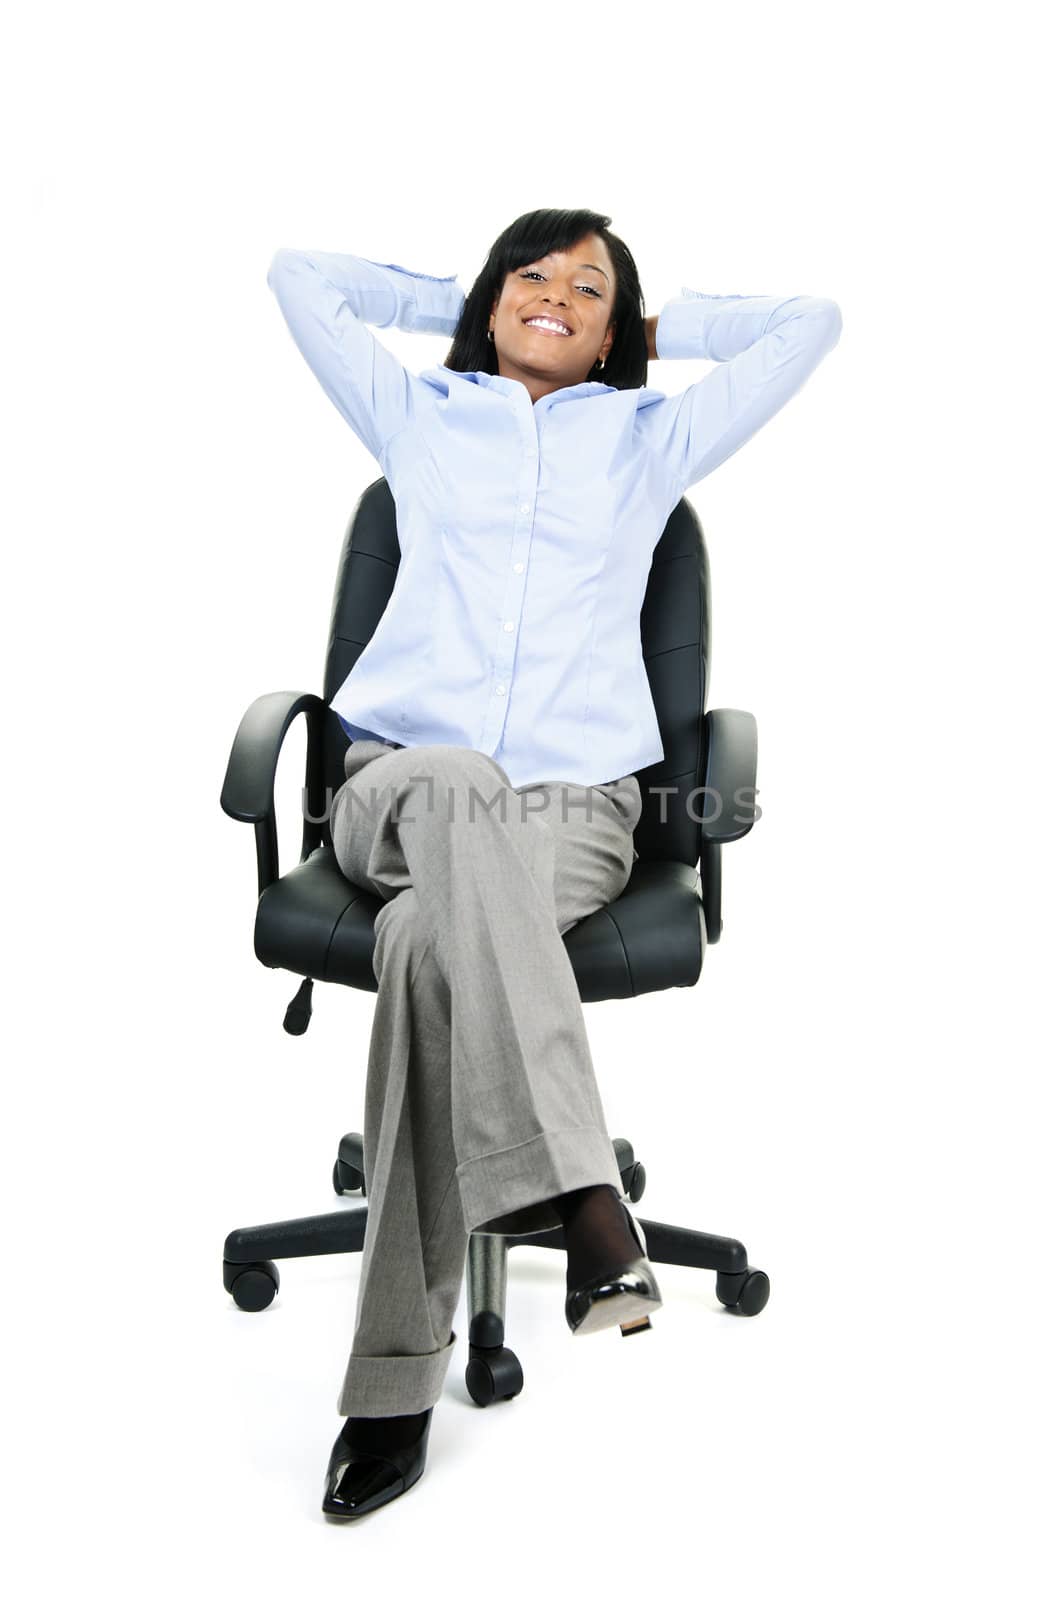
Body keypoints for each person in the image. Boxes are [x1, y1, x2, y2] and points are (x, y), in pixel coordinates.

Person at [265, 208, 842, 1518]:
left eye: (590, 288)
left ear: (613, 330)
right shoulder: (419, 418)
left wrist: (648, 332)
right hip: (395, 791)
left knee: (424, 947)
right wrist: (463, 308)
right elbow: (301, 277)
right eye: (534, 274)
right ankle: (584, 1200)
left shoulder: (647, 442)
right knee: (455, 785)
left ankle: (391, 1390)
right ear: (490, 296)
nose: (558, 294)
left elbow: (810, 325)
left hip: (573, 817)